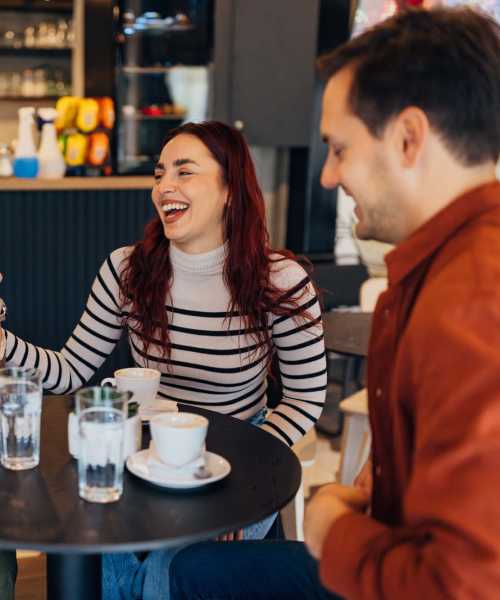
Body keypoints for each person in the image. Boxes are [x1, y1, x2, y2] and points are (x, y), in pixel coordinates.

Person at [167, 6, 500, 599]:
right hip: (390, 546)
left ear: (408, 138)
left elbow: (464, 584)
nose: (327, 176)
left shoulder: (470, 301)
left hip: (399, 574)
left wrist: (334, 527)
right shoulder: (436, 272)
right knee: (195, 571)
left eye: (340, 148)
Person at [0, 120, 326, 598]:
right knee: (102, 539)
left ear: (231, 188)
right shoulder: (126, 270)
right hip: (143, 456)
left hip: (238, 457)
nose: (164, 186)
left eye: (184, 171)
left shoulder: (280, 280)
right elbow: (70, 370)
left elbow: (304, 396)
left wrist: (243, 483)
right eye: (158, 173)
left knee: (173, 570)